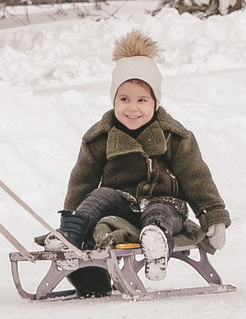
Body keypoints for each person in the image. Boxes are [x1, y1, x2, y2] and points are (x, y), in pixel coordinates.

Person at [48, 31, 231, 289]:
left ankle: (156, 244)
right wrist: (75, 218)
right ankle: (71, 238)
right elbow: (81, 183)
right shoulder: (99, 138)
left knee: (158, 211)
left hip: (166, 205)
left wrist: (212, 216)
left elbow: (196, 177)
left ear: (155, 102)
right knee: (100, 196)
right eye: (124, 99)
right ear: (113, 100)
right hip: (120, 207)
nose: (132, 108)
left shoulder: (174, 136)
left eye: (142, 100)